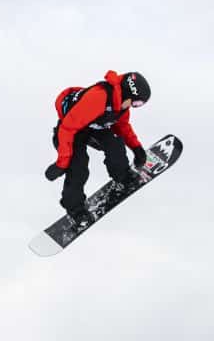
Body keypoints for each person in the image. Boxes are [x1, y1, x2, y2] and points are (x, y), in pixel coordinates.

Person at [44, 70, 151, 227]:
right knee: (78, 167)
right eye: (136, 103)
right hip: (71, 131)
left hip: (94, 127)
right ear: (129, 95)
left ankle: (123, 176)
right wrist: (61, 163)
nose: (135, 107)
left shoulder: (120, 106)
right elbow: (67, 129)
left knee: (115, 144)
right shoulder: (98, 98)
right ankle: (75, 208)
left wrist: (137, 148)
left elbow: (122, 126)